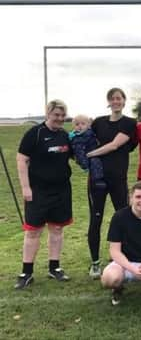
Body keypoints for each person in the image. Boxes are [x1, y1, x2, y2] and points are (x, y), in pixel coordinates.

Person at [15, 100, 73, 289]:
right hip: (38, 191)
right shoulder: (35, 133)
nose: (60, 119)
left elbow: (74, 155)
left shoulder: (65, 135)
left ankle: (54, 267)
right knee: (33, 231)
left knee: (56, 229)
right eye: (56, 115)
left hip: (62, 190)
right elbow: (21, 159)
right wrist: (25, 187)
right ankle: (27, 272)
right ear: (48, 113)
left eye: (63, 116)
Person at [86, 87, 138, 279]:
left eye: (119, 98)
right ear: (109, 102)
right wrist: (80, 155)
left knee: (123, 218)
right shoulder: (98, 122)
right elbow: (84, 138)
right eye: (112, 99)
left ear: (124, 101)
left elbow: (116, 144)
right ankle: (95, 263)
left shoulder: (130, 123)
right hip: (97, 180)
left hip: (118, 179)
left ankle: (123, 258)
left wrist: (90, 154)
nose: (116, 101)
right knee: (95, 219)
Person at [68, 114, 105, 188]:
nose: (80, 126)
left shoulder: (90, 133)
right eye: (77, 124)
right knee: (82, 161)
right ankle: (85, 167)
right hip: (80, 156)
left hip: (92, 154)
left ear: (88, 125)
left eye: (83, 124)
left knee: (96, 163)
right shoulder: (73, 136)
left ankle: (98, 181)